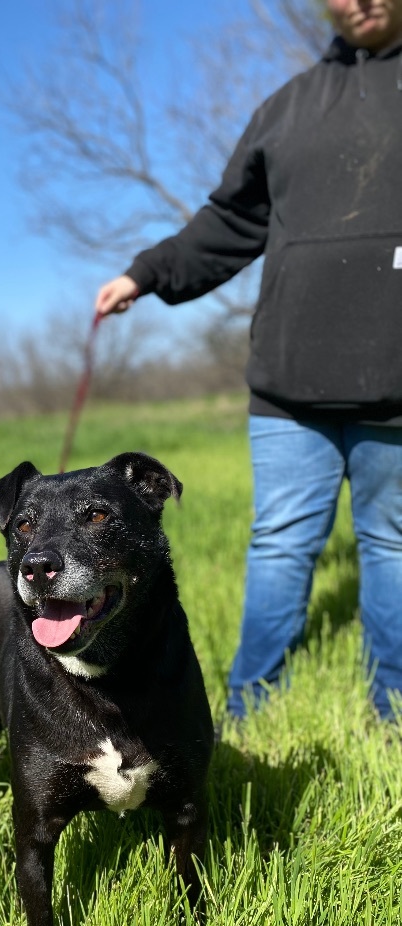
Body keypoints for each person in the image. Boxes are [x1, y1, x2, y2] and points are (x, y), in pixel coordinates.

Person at [96, 0, 402, 721]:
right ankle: (249, 704)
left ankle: (393, 706)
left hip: (396, 379)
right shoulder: (288, 107)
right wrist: (147, 272)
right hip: (290, 381)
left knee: (392, 545)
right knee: (280, 545)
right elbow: (232, 219)